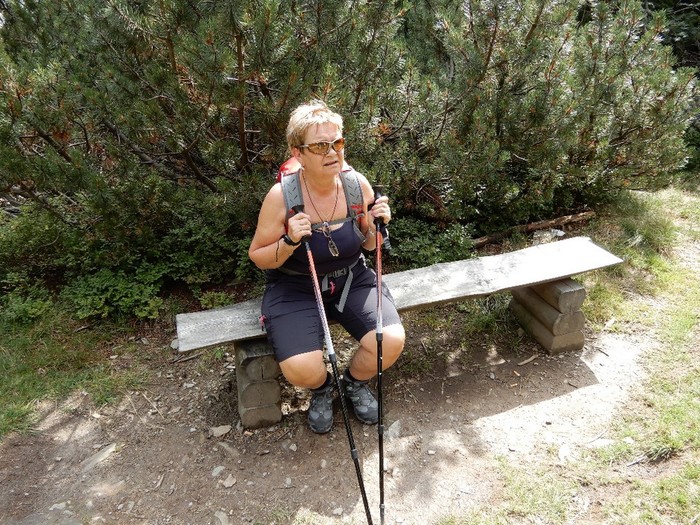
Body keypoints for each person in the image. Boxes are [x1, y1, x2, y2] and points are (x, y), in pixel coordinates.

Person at [248, 100, 406, 434]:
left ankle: (352, 383)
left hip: (351, 278)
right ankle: (322, 389)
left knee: (389, 342)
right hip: (296, 285)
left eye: (338, 142)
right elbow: (259, 256)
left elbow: (369, 245)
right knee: (300, 367)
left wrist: (378, 226)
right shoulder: (281, 197)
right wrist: (289, 240)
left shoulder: (355, 185)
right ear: (298, 152)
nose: (333, 152)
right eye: (321, 146)